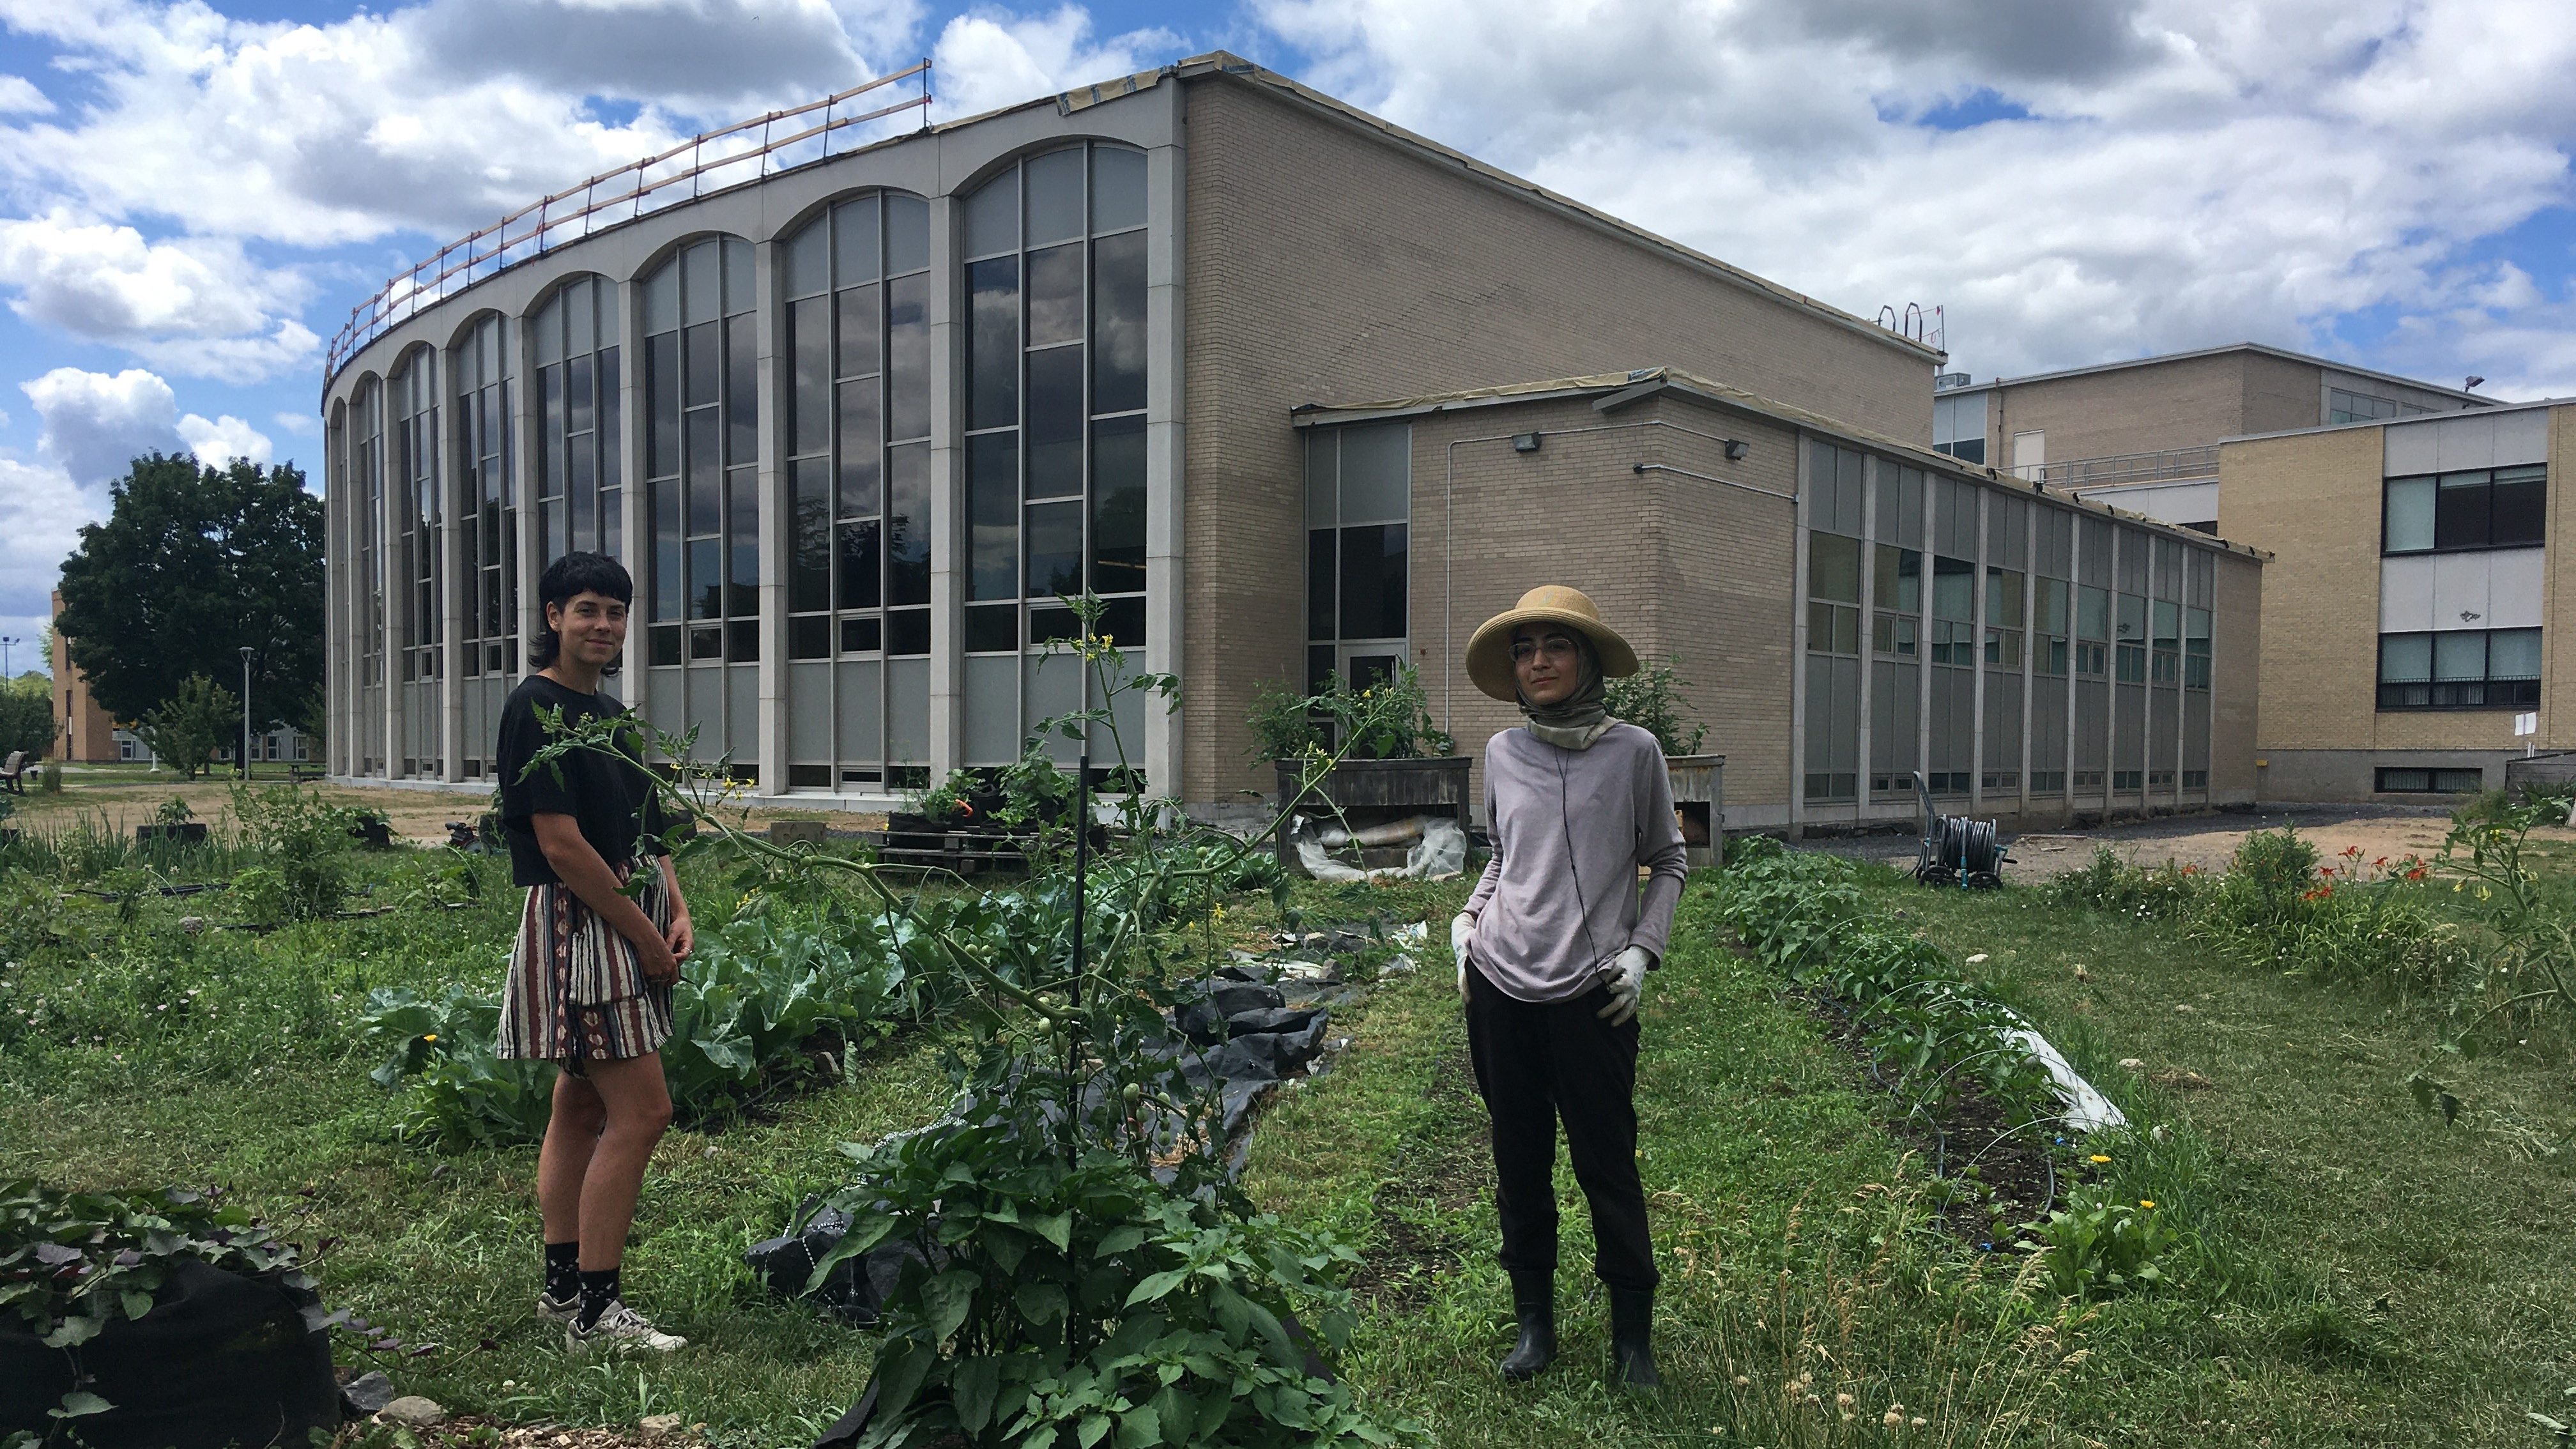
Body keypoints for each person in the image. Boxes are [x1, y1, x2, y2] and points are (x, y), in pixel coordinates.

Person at [1449, 585, 1687, 1390]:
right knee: (1518, 1158)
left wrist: (1643, 954)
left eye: (1555, 645)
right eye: (1525, 649)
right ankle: (1534, 1325)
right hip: (1500, 986)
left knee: (1606, 1162)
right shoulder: (1503, 753)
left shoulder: (1636, 753)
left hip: (1595, 991)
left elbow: (1670, 860)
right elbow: (1503, 858)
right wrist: (1468, 920)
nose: (1538, 661)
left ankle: (1633, 1340)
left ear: (1586, 660)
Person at [494, 551, 694, 1356]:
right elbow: (561, 845)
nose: (604, 626)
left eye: (615, 611)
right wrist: (644, 938)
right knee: (644, 1112)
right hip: (587, 923)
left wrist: (677, 906)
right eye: (586, 610)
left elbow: (650, 826)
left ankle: (562, 1288)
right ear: (552, 618)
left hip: (627, 912)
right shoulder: (532, 709)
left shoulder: (611, 716)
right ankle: (599, 1314)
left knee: (578, 1105)